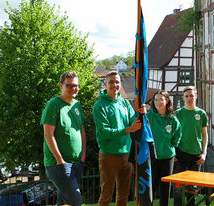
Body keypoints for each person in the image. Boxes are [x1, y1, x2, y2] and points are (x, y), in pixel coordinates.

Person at [93, 71, 144, 206]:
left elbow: (134, 122)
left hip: (127, 154)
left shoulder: (124, 103)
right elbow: (104, 132)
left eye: (117, 82)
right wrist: (128, 130)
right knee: (106, 195)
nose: (114, 85)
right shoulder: (99, 105)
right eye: (111, 82)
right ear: (105, 84)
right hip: (109, 155)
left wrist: (141, 114)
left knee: (123, 195)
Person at [41, 71, 86, 206]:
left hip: (76, 162)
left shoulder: (77, 105)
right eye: (69, 85)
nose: (73, 89)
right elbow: (48, 134)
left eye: (76, 85)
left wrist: (83, 155)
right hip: (59, 164)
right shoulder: (53, 104)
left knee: (64, 202)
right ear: (61, 85)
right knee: (75, 201)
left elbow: (81, 130)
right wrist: (60, 160)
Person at [174, 86, 208, 206]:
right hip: (181, 153)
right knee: (178, 188)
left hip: (196, 155)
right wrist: (173, 152)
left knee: (192, 188)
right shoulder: (178, 113)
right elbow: (172, 135)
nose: (189, 98)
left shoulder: (201, 114)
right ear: (183, 98)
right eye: (187, 96)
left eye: (192, 95)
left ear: (196, 96)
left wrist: (204, 153)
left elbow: (205, 135)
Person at [147, 90, 181, 206]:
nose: (158, 102)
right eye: (155, 100)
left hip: (167, 157)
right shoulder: (149, 116)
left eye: (161, 99)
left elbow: (177, 135)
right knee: (151, 188)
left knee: (165, 189)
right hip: (152, 157)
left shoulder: (172, 119)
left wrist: (171, 145)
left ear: (166, 101)